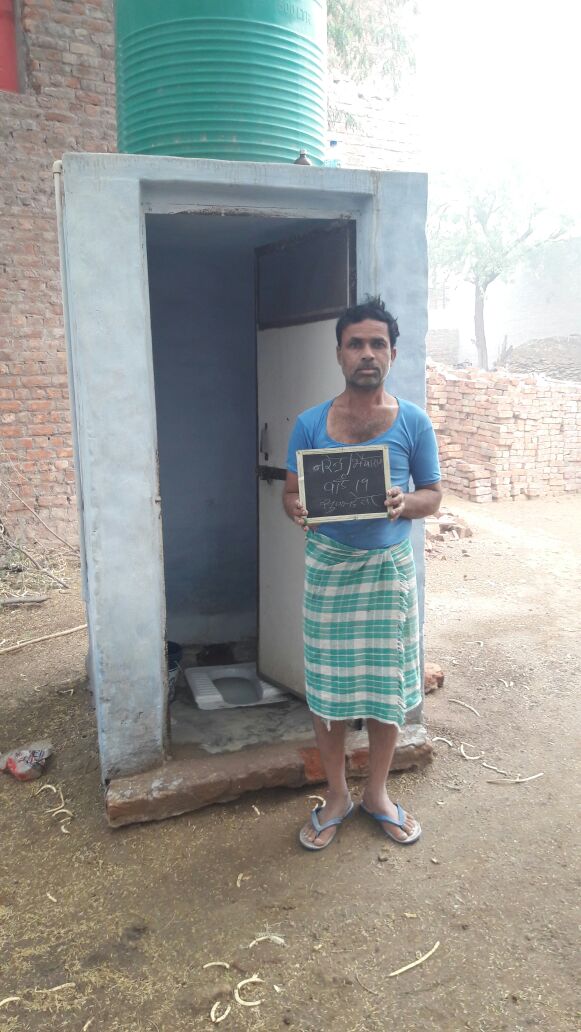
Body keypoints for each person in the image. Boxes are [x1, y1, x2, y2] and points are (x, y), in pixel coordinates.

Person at [284, 296, 442, 851]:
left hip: (387, 576)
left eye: (378, 343)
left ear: (392, 353)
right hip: (329, 574)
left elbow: (433, 495)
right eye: (356, 344)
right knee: (327, 691)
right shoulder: (310, 424)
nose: (367, 353)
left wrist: (405, 502)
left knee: (386, 689)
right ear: (339, 354)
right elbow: (290, 492)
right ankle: (336, 797)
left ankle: (376, 794)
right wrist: (298, 508)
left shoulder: (413, 422)